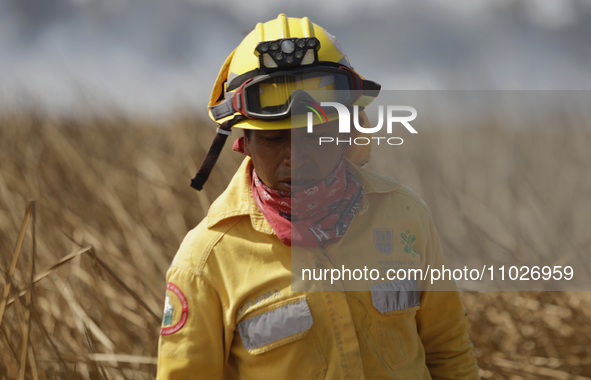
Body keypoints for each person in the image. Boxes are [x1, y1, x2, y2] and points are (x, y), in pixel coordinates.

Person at [157, 14, 480, 379]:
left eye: (314, 132)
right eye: (276, 138)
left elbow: (450, 352)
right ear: (244, 142)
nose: (296, 155)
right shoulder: (205, 263)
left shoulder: (405, 215)